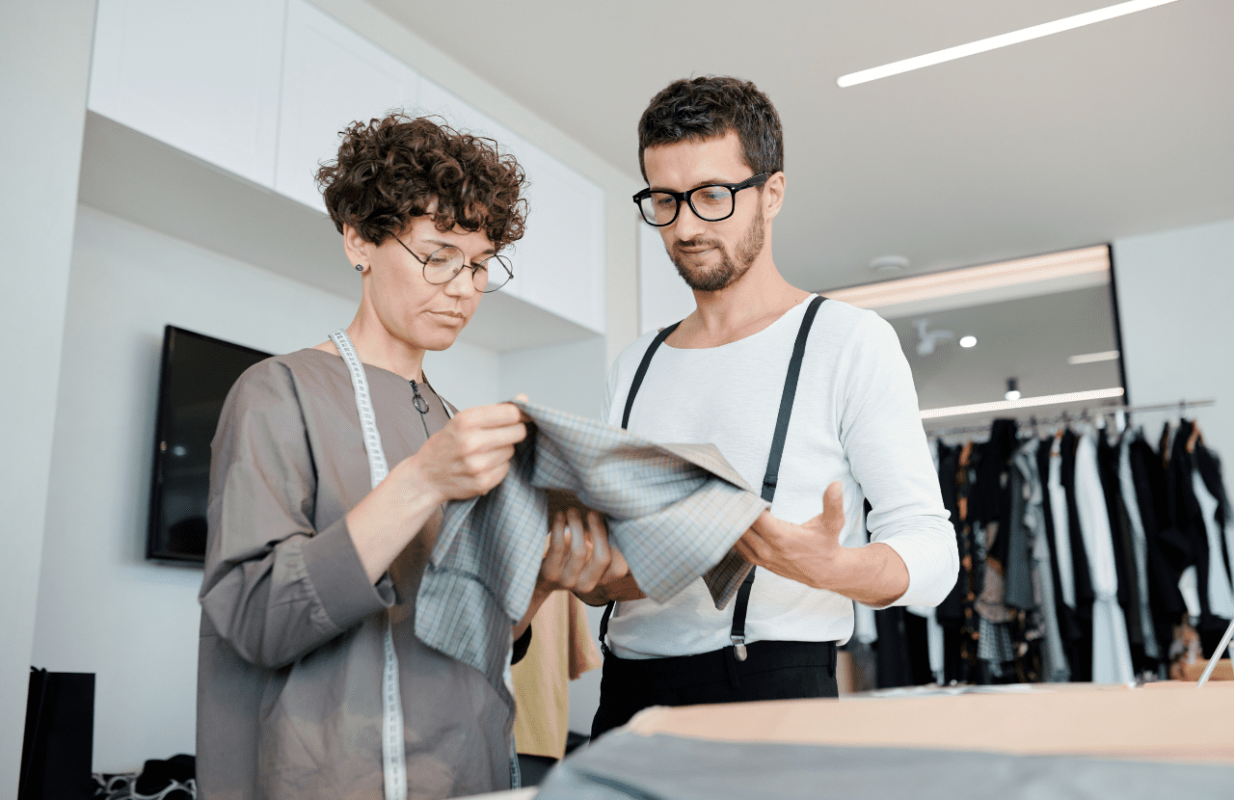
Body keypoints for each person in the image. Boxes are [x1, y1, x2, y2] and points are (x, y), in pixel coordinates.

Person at [196, 113, 625, 800]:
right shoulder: (278, 394)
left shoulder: (459, 429)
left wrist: (543, 585)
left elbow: (467, 642)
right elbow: (255, 621)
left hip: (467, 773)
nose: (463, 288)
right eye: (438, 256)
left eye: (481, 265)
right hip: (329, 779)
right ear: (359, 240)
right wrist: (422, 480)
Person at [585, 77, 960, 738]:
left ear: (772, 193)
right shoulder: (635, 363)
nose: (687, 227)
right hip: (627, 697)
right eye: (665, 202)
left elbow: (932, 549)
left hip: (769, 688)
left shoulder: (846, 339)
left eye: (711, 196)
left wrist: (833, 568)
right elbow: (615, 567)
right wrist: (587, 572)